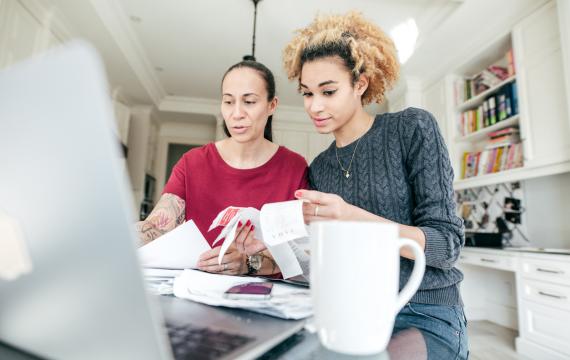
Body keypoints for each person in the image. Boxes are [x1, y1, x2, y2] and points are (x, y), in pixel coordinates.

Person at [280, 11, 468, 359]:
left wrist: (351, 218)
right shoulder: (319, 168)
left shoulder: (412, 128)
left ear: (360, 84)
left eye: (328, 91)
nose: (314, 106)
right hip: (353, 310)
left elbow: (448, 246)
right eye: (307, 93)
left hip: (424, 312)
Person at [136, 60, 309, 277]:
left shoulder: (294, 168)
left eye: (249, 101)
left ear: (271, 105)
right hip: (197, 293)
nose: (236, 113)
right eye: (228, 102)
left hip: (262, 299)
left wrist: (248, 263)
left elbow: (299, 253)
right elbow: (157, 227)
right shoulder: (192, 163)